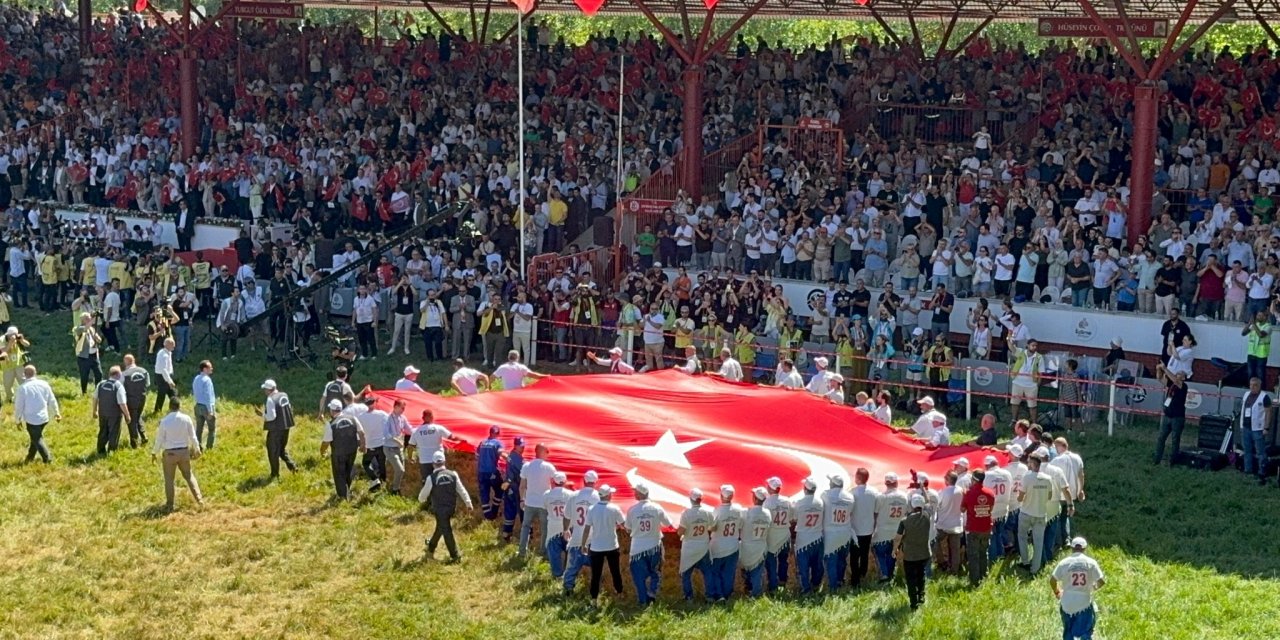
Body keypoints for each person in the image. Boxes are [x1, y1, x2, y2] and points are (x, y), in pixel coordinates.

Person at [419, 450, 473, 563]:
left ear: (433, 464)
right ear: (444, 461)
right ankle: (431, 546)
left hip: (439, 509)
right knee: (441, 527)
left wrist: (422, 500)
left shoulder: (431, 478)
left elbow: (422, 496)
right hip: (451, 508)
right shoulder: (453, 474)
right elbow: (461, 490)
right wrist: (468, 503)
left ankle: (455, 556)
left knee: (446, 530)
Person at [151, 397, 203, 511]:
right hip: (184, 452)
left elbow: (159, 439)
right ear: (180, 406)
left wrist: (154, 452)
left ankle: (170, 505)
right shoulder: (187, 419)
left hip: (170, 454)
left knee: (169, 479)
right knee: (189, 476)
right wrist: (197, 449)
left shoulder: (164, 421)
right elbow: (193, 436)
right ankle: (199, 500)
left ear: (170, 407)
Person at [624, 483, 672, 606]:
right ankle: (652, 593)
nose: (634, 493)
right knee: (655, 572)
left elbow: (628, 528)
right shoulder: (656, 507)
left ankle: (642, 600)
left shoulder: (632, 510)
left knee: (639, 577)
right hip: (654, 545)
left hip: (638, 548)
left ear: (640, 494)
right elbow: (667, 523)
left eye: (636, 492)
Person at [580, 484, 626, 607]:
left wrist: (583, 543)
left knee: (596, 574)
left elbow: (587, 528)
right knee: (615, 571)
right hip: (611, 545)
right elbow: (623, 524)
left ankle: (594, 599)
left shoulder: (592, 509)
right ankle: (619, 592)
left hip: (596, 546)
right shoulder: (614, 508)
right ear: (609, 495)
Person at [1051, 537, 1106, 640]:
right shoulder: (1091, 563)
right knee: (1085, 631)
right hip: (1083, 602)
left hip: (1066, 602)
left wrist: (1057, 592)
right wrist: (1093, 588)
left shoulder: (1064, 563)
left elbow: (1053, 580)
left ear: (1072, 548)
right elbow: (1101, 581)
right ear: (1084, 548)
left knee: (1068, 631)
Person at [562, 470, 601, 595]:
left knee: (572, 567)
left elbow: (566, 516)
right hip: (593, 540)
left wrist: (566, 529)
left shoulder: (574, 496)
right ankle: (594, 591)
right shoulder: (599, 497)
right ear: (595, 482)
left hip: (577, 537)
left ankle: (568, 589)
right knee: (596, 568)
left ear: (584, 481)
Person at [1017, 453, 1056, 573]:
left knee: (1022, 537)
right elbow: (1049, 496)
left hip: (1026, 512)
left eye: (1029, 462)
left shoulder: (1027, 477)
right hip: (1040, 513)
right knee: (1038, 542)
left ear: (1033, 464)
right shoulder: (1048, 478)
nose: (1028, 464)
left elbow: (1020, 497)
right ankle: (1035, 568)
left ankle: (1025, 561)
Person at [14, 365, 61, 464]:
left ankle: (47, 459)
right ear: (35, 373)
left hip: (32, 420)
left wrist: (18, 420)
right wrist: (56, 413)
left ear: (24, 375)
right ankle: (30, 457)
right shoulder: (44, 384)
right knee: (35, 438)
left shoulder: (23, 388)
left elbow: (19, 406)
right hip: (44, 418)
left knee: (37, 439)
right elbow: (52, 399)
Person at [519, 443, 558, 558]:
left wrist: (522, 499)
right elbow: (556, 484)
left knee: (525, 527)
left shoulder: (527, 466)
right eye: (547, 451)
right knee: (544, 529)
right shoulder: (549, 467)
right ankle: (543, 551)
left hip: (529, 502)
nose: (548, 454)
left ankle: (522, 551)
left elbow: (522, 486)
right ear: (542, 452)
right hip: (544, 504)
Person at [895, 494, 933, 610]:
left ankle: (913, 602)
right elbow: (929, 503)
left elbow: (898, 537)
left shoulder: (904, 521)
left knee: (911, 579)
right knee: (921, 575)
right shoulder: (927, 515)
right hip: (924, 553)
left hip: (910, 555)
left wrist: (895, 549)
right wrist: (923, 490)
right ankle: (921, 597)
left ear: (911, 505)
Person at [707, 484, 745, 601]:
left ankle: (719, 594)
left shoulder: (717, 510)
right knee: (729, 572)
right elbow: (741, 525)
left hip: (718, 545)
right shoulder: (739, 509)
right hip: (733, 545)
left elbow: (711, 527)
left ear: (721, 496)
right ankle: (727, 594)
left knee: (716, 571)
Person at [677, 487, 714, 601]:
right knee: (708, 573)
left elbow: (680, 531)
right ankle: (710, 596)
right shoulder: (707, 512)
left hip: (689, 547)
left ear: (691, 499)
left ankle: (689, 597)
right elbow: (713, 527)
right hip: (703, 546)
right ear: (700, 499)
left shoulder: (686, 513)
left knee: (686, 574)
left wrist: (681, 534)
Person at [872, 472, 909, 583]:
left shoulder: (881, 497)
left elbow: (875, 514)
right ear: (897, 483)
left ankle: (884, 573)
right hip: (898, 531)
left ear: (886, 483)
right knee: (892, 553)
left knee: (879, 553)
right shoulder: (904, 496)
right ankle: (890, 573)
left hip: (883, 531)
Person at [962, 470, 996, 587]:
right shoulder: (990, 493)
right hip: (986, 527)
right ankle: (983, 575)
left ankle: (974, 580)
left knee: (973, 555)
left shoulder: (968, 493)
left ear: (974, 480)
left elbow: (962, 509)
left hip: (973, 528)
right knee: (983, 552)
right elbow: (990, 508)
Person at [821, 474, 855, 591]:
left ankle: (833, 586)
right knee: (842, 559)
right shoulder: (850, 497)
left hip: (831, 533)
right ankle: (840, 581)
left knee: (831, 561)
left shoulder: (825, 495)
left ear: (832, 484)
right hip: (845, 531)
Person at [258, 379, 297, 479]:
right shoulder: (284, 395)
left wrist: (262, 414)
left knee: (272, 451)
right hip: (286, 427)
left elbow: (272, 417)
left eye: (265, 389)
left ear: (268, 390)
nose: (264, 392)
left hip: (276, 429)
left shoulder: (270, 400)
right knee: (281, 450)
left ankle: (275, 474)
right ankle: (292, 466)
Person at [792, 477, 825, 594]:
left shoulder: (799, 503)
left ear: (805, 489)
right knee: (817, 565)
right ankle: (815, 585)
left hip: (803, 539)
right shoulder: (820, 502)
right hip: (817, 537)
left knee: (803, 567)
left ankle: (805, 589)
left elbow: (794, 518)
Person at [739, 486, 772, 597]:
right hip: (760, 545)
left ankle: (752, 592)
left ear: (755, 498)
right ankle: (755, 593)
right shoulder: (767, 513)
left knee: (748, 571)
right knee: (757, 572)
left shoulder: (746, 512)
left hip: (747, 546)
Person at [408, 410, 459, 483]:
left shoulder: (416, 431)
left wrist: (410, 458)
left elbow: (410, 446)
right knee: (441, 481)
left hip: (425, 461)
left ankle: (429, 494)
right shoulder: (438, 428)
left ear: (423, 418)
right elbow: (452, 438)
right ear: (432, 417)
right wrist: (464, 439)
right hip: (439, 460)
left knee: (427, 482)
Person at [1153, 362, 1189, 466]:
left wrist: (1164, 368)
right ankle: (1157, 459)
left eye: (1180, 374)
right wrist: (1158, 369)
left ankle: (1173, 461)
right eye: (1177, 373)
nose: (1177, 374)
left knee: (1175, 439)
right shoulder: (1171, 385)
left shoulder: (1183, 386)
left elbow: (1175, 380)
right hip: (1167, 416)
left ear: (1183, 378)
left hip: (1177, 417)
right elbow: (1159, 379)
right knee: (1161, 438)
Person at [762, 476, 794, 592]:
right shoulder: (787, 501)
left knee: (771, 562)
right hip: (785, 534)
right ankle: (782, 581)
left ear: (770, 488)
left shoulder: (767, 503)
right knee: (783, 561)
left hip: (772, 536)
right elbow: (791, 517)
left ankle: (773, 585)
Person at [91, 365, 130, 455]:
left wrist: (95, 411)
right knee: (114, 433)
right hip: (114, 415)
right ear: (117, 374)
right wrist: (127, 415)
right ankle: (112, 451)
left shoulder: (101, 384)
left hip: (102, 413)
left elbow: (95, 398)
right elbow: (122, 403)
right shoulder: (118, 386)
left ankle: (100, 450)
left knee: (103, 431)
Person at [1240, 376, 1273, 484]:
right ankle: (1247, 470)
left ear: (1259, 386)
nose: (1252, 387)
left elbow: (1268, 412)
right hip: (1246, 427)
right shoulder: (1246, 395)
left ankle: (1262, 472)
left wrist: (1266, 427)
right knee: (1247, 450)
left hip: (1258, 429)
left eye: (1255, 385)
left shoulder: (1264, 397)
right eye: (1251, 385)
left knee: (1260, 452)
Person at [982, 455, 1015, 563]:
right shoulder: (1007, 473)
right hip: (1003, 508)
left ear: (987, 466)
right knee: (1000, 533)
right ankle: (1000, 555)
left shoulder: (986, 475)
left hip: (992, 510)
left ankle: (993, 558)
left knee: (992, 536)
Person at [543, 472, 574, 578]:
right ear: (564, 482)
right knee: (569, 552)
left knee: (554, 553)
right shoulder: (570, 495)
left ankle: (557, 575)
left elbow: (545, 507)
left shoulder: (547, 494)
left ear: (553, 482)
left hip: (553, 527)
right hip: (568, 526)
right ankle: (568, 574)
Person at [1009, 339, 1045, 423]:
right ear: (1028, 345)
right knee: (1015, 403)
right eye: (1033, 345)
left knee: (1032, 405)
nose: (1034, 347)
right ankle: (1014, 420)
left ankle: (1034, 423)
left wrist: (1037, 385)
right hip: (1017, 382)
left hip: (1031, 385)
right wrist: (1009, 338)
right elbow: (1011, 347)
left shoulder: (1039, 357)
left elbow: (1041, 373)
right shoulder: (1021, 352)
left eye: (1036, 346)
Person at [382, 400, 413, 495]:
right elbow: (386, 434)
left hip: (399, 448)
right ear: (395, 407)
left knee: (401, 471)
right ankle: (394, 490)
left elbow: (410, 430)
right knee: (400, 470)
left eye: (404, 408)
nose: (403, 410)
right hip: (390, 448)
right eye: (402, 408)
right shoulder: (387, 418)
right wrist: (397, 440)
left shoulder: (402, 418)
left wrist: (421, 431)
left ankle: (396, 487)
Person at [475, 425, 505, 520]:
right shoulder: (497, 443)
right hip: (492, 472)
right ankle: (494, 511)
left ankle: (488, 516)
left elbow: (476, 456)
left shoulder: (482, 442)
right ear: (497, 433)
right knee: (500, 489)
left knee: (484, 493)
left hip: (481, 472)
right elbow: (501, 452)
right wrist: (509, 458)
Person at [121, 354, 150, 448]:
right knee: (138, 416)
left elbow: (121, 388)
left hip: (130, 399)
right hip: (142, 398)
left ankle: (134, 442)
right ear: (133, 360)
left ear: (125, 363)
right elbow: (148, 384)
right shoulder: (144, 371)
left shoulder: (124, 375)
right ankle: (144, 436)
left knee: (131, 420)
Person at [500, 437, 526, 543]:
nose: (523, 447)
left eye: (523, 445)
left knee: (510, 510)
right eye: (521, 445)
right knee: (521, 510)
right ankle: (527, 534)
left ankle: (507, 533)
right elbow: (521, 472)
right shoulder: (516, 458)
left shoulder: (512, 456)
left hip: (511, 487)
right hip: (516, 488)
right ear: (515, 445)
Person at [72, 312, 105, 394]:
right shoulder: (77, 328)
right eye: (87, 318)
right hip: (83, 357)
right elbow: (84, 329)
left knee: (99, 374)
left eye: (89, 318)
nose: (89, 319)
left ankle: (98, 391)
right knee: (84, 375)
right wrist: (94, 319)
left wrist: (97, 338)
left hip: (94, 355)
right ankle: (84, 392)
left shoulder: (92, 329)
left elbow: (99, 340)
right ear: (82, 320)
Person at [191, 360, 217, 450]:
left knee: (199, 428)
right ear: (205, 369)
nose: (212, 369)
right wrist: (210, 410)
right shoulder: (207, 380)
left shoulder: (196, 378)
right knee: (212, 429)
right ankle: (209, 447)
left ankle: (198, 447)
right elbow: (208, 396)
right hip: (206, 407)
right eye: (210, 367)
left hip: (198, 405)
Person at [1243, 311, 1272, 384]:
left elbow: (1261, 335)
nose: (1257, 317)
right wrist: (1249, 323)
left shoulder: (1268, 327)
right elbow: (1243, 333)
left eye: (1260, 316)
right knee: (1250, 373)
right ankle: (1251, 389)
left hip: (1261, 354)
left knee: (1260, 374)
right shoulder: (1254, 325)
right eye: (1258, 315)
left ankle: (1261, 390)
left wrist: (1254, 324)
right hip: (1251, 353)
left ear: (1265, 317)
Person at [153, 337, 176, 414]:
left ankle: (175, 408)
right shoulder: (164, 355)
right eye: (172, 344)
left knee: (172, 393)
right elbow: (164, 370)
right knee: (162, 394)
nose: (174, 346)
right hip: (162, 377)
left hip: (165, 375)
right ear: (167, 345)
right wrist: (169, 381)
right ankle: (157, 410)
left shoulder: (166, 353)